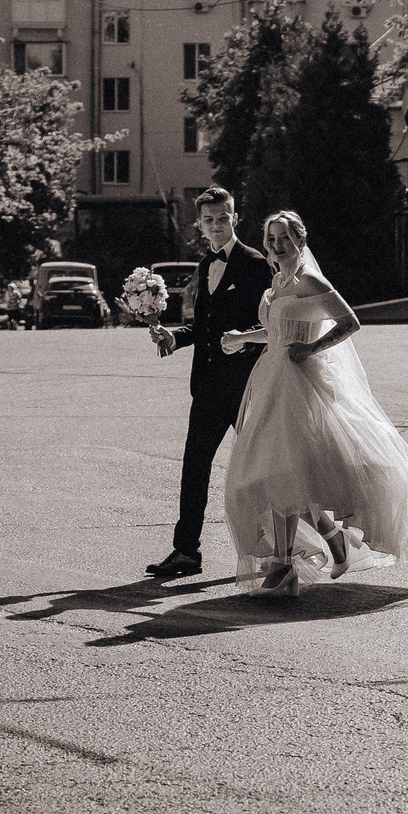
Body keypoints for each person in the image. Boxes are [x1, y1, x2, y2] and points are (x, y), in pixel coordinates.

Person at [219, 210, 408, 596]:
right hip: (271, 382)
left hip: (301, 385)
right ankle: (325, 541)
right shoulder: (277, 281)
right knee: (271, 474)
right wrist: (242, 338)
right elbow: (277, 331)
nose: (278, 245)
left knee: (285, 472)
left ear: (300, 240)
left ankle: (284, 566)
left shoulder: (310, 280)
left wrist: (311, 348)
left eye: (285, 238)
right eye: (272, 239)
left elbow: (349, 322)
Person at [145, 188, 275, 580]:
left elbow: (272, 325)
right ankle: (186, 552)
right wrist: (174, 337)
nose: (216, 225)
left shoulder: (255, 264)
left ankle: (282, 550)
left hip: (246, 388)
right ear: (199, 225)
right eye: (208, 220)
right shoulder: (204, 266)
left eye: (222, 218)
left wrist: (242, 340)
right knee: (194, 467)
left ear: (235, 218)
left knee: (262, 469)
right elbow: (203, 327)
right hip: (207, 388)